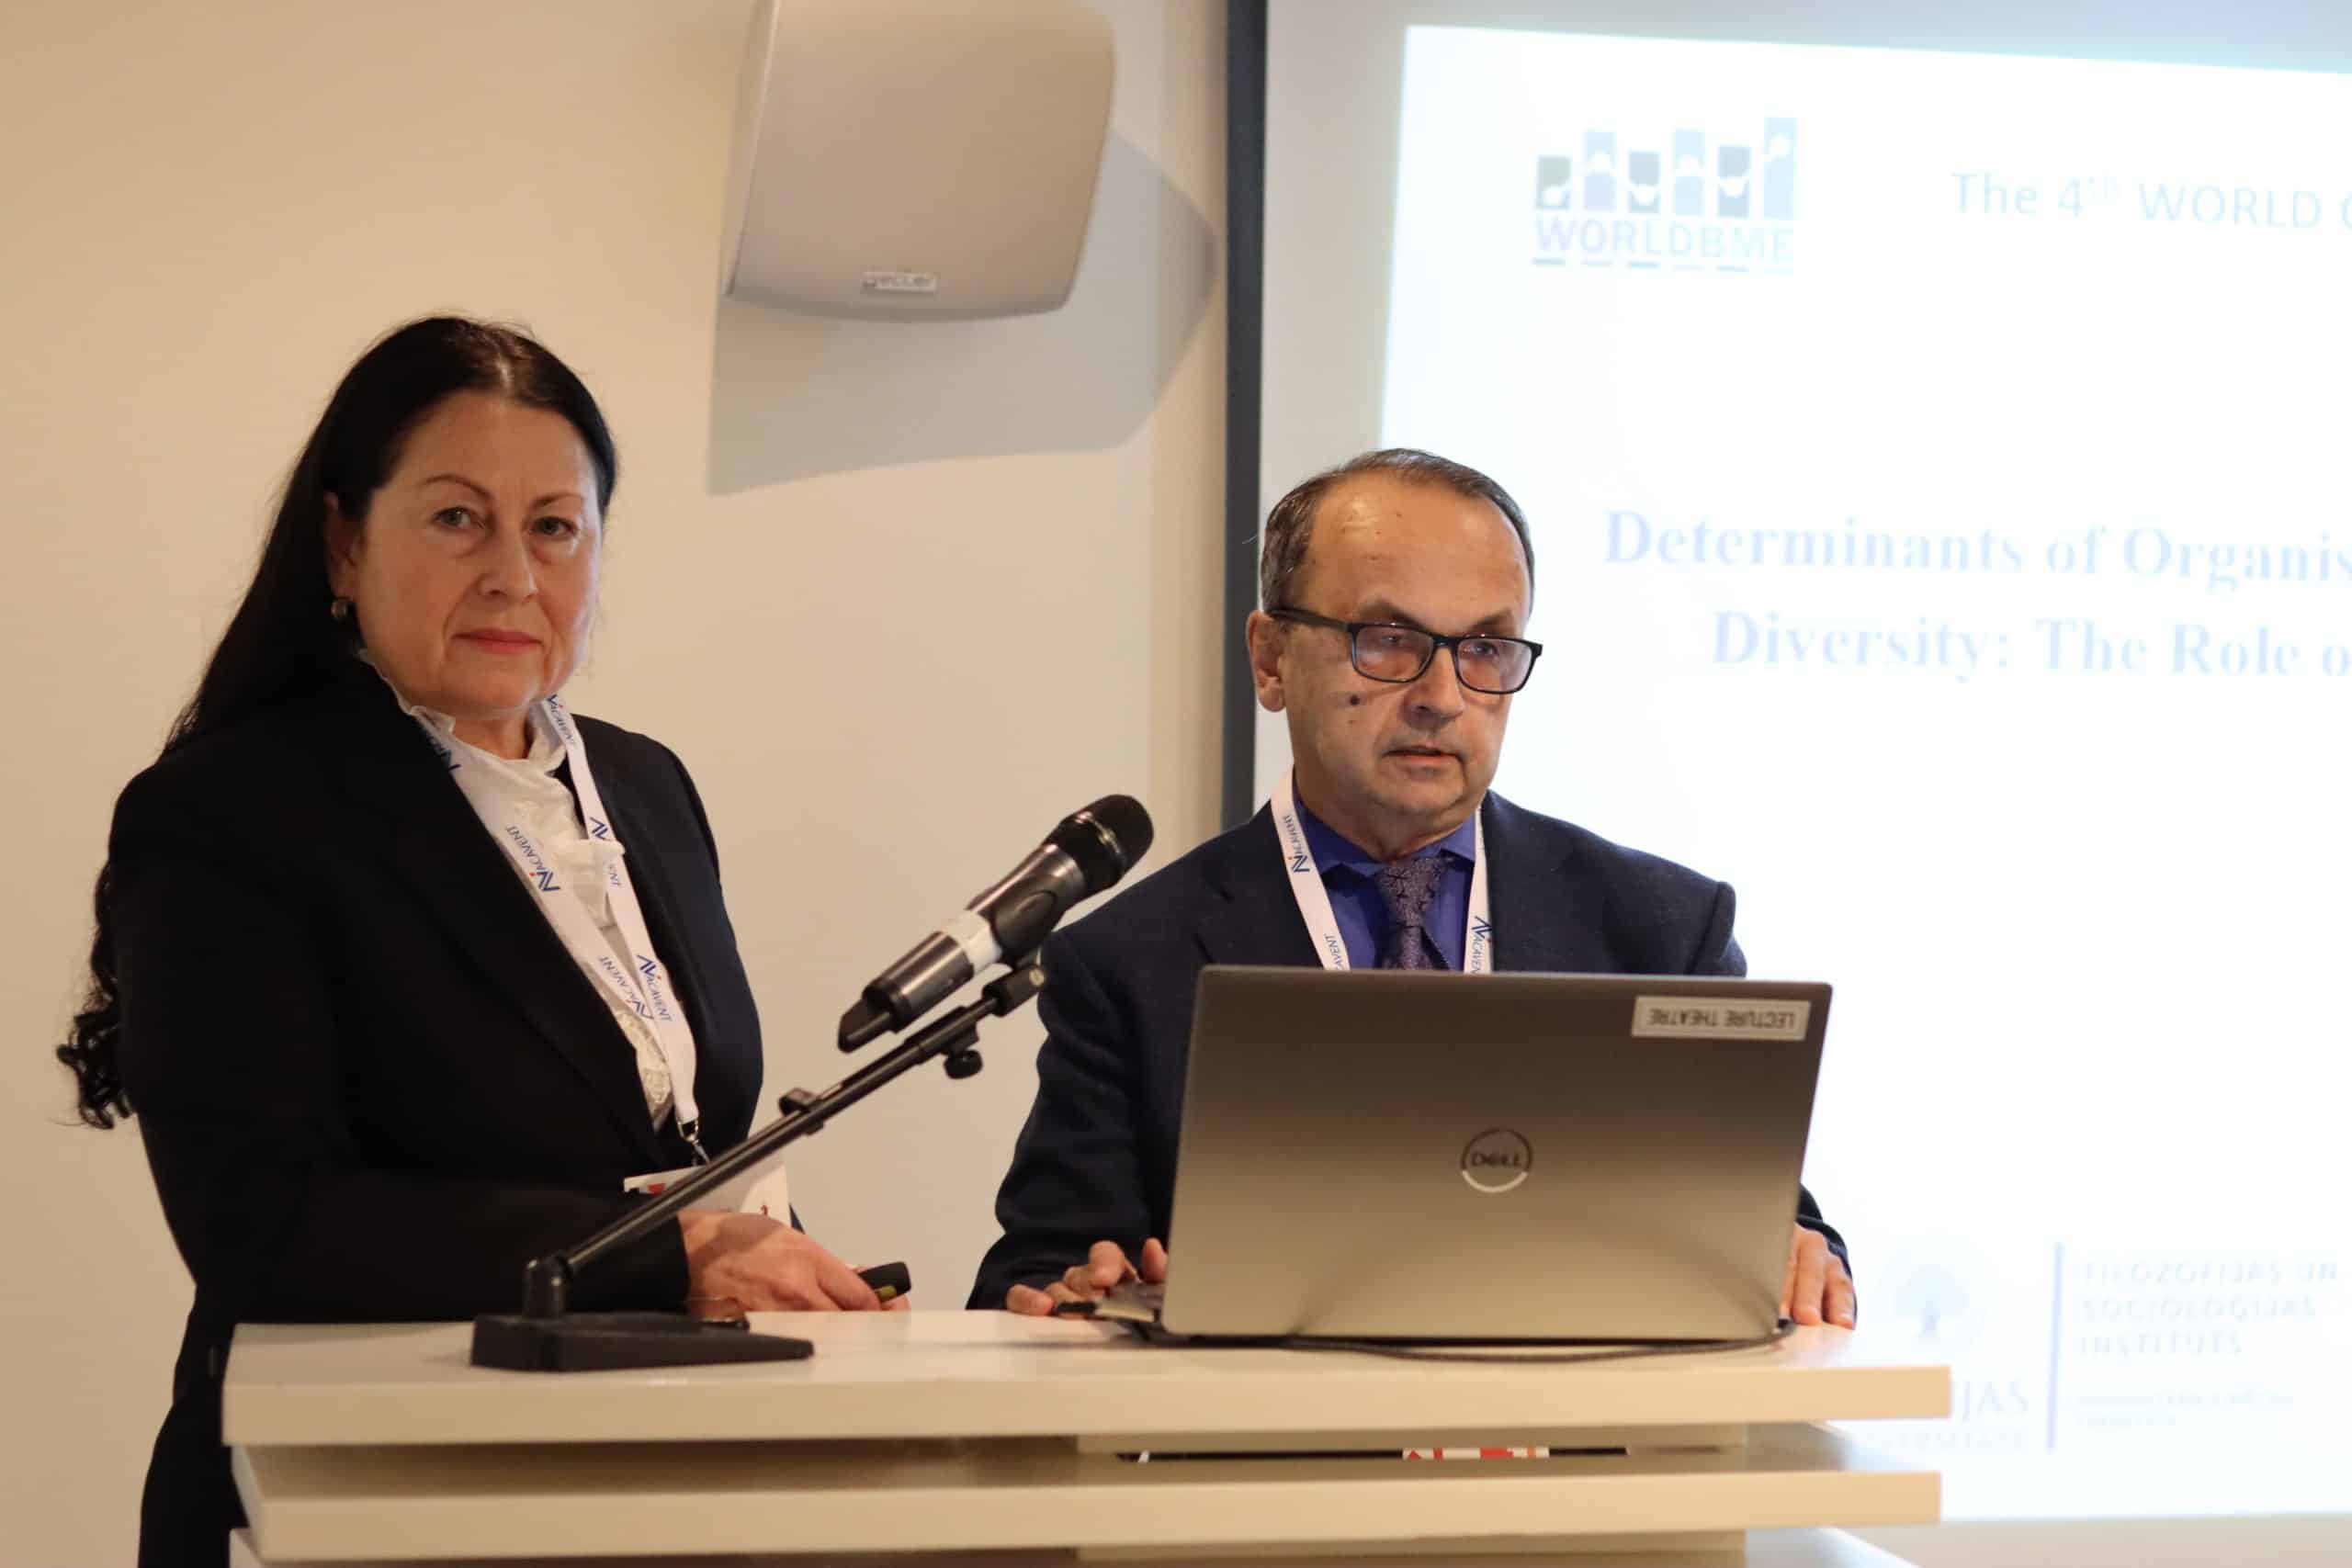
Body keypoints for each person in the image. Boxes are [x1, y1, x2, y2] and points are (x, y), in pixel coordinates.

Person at [53, 318, 891, 1568]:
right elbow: (263, 1226)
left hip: (643, 1479)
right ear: (344, 544)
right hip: (356, 1492)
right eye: (457, 519)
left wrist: (785, 1274)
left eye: (555, 527)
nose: (513, 574)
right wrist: (671, 1256)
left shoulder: (647, 787)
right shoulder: (229, 811)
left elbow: (668, 1140)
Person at [970, 447, 1855, 1326]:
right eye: (1389, 641)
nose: (1442, 695)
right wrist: (1083, 1295)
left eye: (1486, 648)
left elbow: (1774, 1230)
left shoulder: (1660, 930)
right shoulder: (1128, 960)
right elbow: (1036, 1274)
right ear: (1271, 659)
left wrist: (1798, 1252)